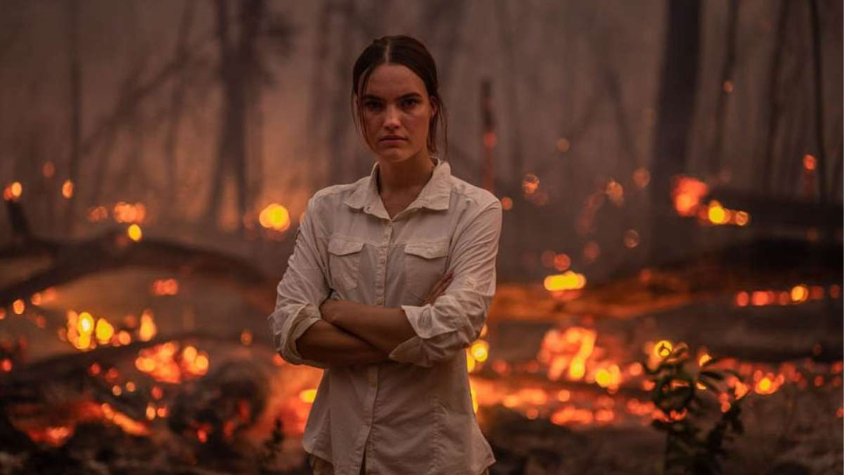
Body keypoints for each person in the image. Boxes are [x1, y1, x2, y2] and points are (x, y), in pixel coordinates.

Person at [268, 35, 501, 475]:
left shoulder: (474, 211)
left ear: (433, 107)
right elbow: (289, 330)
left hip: (432, 458)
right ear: (359, 109)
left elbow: (452, 330)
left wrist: (334, 309)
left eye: (408, 103)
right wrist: (410, 333)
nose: (391, 120)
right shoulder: (328, 209)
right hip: (339, 457)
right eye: (375, 105)